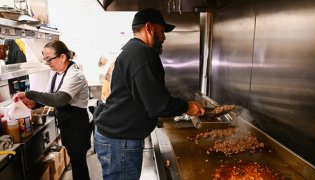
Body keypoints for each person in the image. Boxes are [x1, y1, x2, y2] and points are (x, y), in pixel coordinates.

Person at [93, 8, 205, 180]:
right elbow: (157, 104)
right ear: (149, 28)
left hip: (113, 137)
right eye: (161, 31)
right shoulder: (142, 53)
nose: (164, 37)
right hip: (120, 141)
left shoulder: (130, 50)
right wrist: (187, 106)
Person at [13, 40, 92, 180]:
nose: (48, 63)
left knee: (79, 164)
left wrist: (29, 94)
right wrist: (34, 104)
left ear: (62, 57)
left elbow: (59, 99)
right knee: (75, 162)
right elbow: (49, 95)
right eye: (46, 60)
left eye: (50, 59)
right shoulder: (56, 73)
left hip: (78, 127)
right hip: (67, 126)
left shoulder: (75, 75)